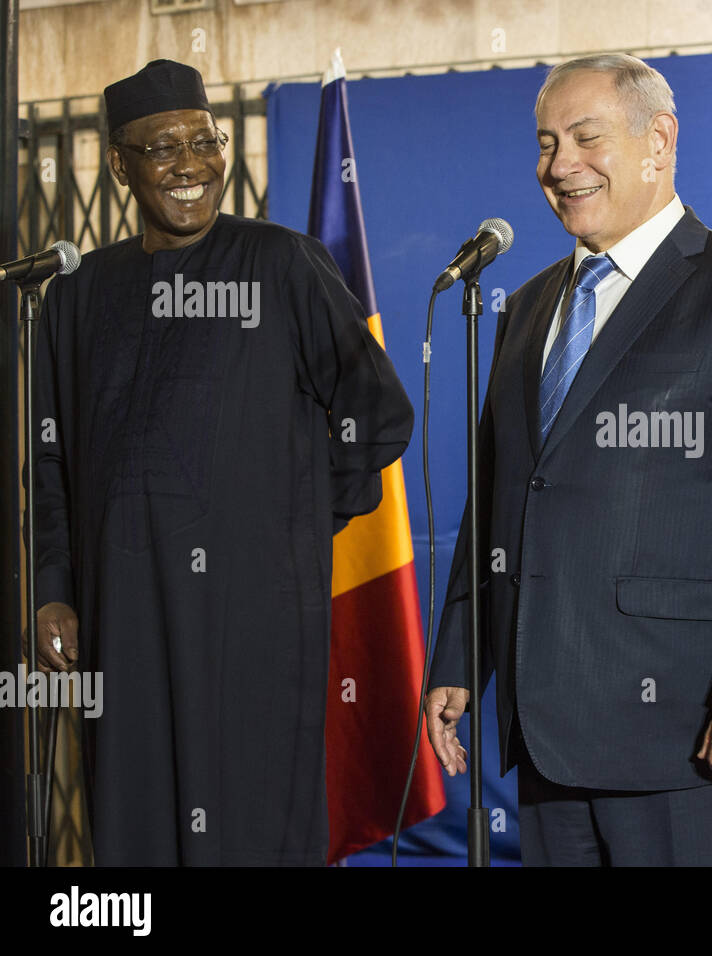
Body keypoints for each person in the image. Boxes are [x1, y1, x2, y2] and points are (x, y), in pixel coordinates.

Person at [423, 53, 712, 866]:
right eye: (546, 143)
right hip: (544, 733)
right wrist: (461, 659)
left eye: (586, 138)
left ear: (660, 141)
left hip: (689, 738)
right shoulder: (527, 305)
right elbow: (502, 495)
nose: (560, 165)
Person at [31, 59, 413, 865]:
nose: (189, 164)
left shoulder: (285, 264)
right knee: (133, 822)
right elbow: (52, 460)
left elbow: (377, 416)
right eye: (162, 147)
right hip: (122, 614)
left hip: (256, 617)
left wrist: (294, 522)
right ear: (119, 166)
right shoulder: (76, 295)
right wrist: (55, 593)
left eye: (203, 141)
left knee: (252, 821)